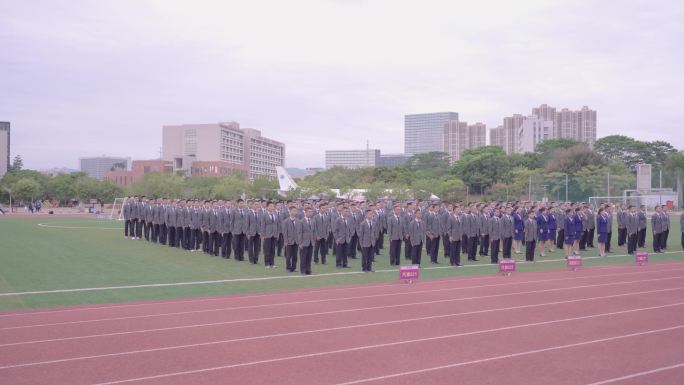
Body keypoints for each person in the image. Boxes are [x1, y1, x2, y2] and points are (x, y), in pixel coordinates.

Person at [296, 208, 315, 275]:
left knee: (309, 257)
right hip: (304, 242)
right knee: (303, 257)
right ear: (305, 213)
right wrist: (300, 243)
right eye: (309, 212)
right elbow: (299, 233)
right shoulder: (301, 221)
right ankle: (303, 270)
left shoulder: (313, 221)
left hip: (311, 242)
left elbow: (314, 231)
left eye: (311, 212)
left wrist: (313, 240)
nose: (310, 213)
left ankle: (308, 270)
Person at [260, 201, 279, 268]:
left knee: (273, 250)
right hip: (267, 235)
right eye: (270, 206)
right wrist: (263, 234)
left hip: (274, 235)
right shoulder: (264, 215)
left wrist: (277, 233)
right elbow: (262, 225)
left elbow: (277, 224)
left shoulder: (275, 214)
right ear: (267, 207)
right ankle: (267, 263)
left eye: (272, 206)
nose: (272, 207)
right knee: (267, 249)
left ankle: (272, 263)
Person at [282, 207, 299, 272]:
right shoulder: (286, 221)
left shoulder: (298, 221)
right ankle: (288, 268)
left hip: (296, 241)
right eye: (293, 211)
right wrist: (286, 240)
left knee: (295, 255)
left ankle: (293, 267)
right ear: (290, 212)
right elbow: (284, 232)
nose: (294, 212)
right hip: (289, 241)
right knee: (288, 255)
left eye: (295, 211)